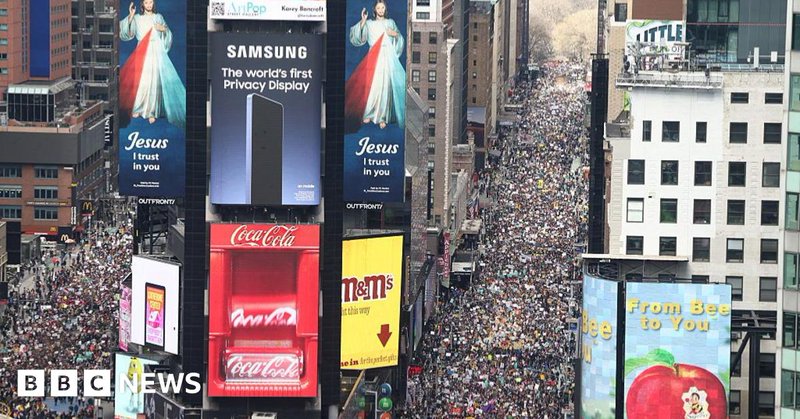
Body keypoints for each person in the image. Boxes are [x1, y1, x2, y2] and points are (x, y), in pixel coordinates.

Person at [119, 0, 185, 127]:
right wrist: (131, 15)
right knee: (141, 79)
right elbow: (127, 32)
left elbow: (167, 33)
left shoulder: (158, 17)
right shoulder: (137, 18)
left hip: (155, 50)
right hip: (142, 51)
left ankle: (152, 111)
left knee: (154, 80)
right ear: (142, 5)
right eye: (146, 2)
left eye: (151, 2)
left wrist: (163, 29)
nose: (149, 5)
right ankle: (139, 108)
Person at [345, 0, 405, 131]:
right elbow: (357, 37)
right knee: (372, 85)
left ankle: (383, 117)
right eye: (379, 8)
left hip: (387, 58)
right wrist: (363, 20)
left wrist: (394, 34)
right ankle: (369, 113)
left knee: (385, 86)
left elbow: (399, 39)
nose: (381, 10)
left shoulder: (390, 23)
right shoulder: (370, 24)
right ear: (375, 10)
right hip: (373, 57)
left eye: (383, 7)